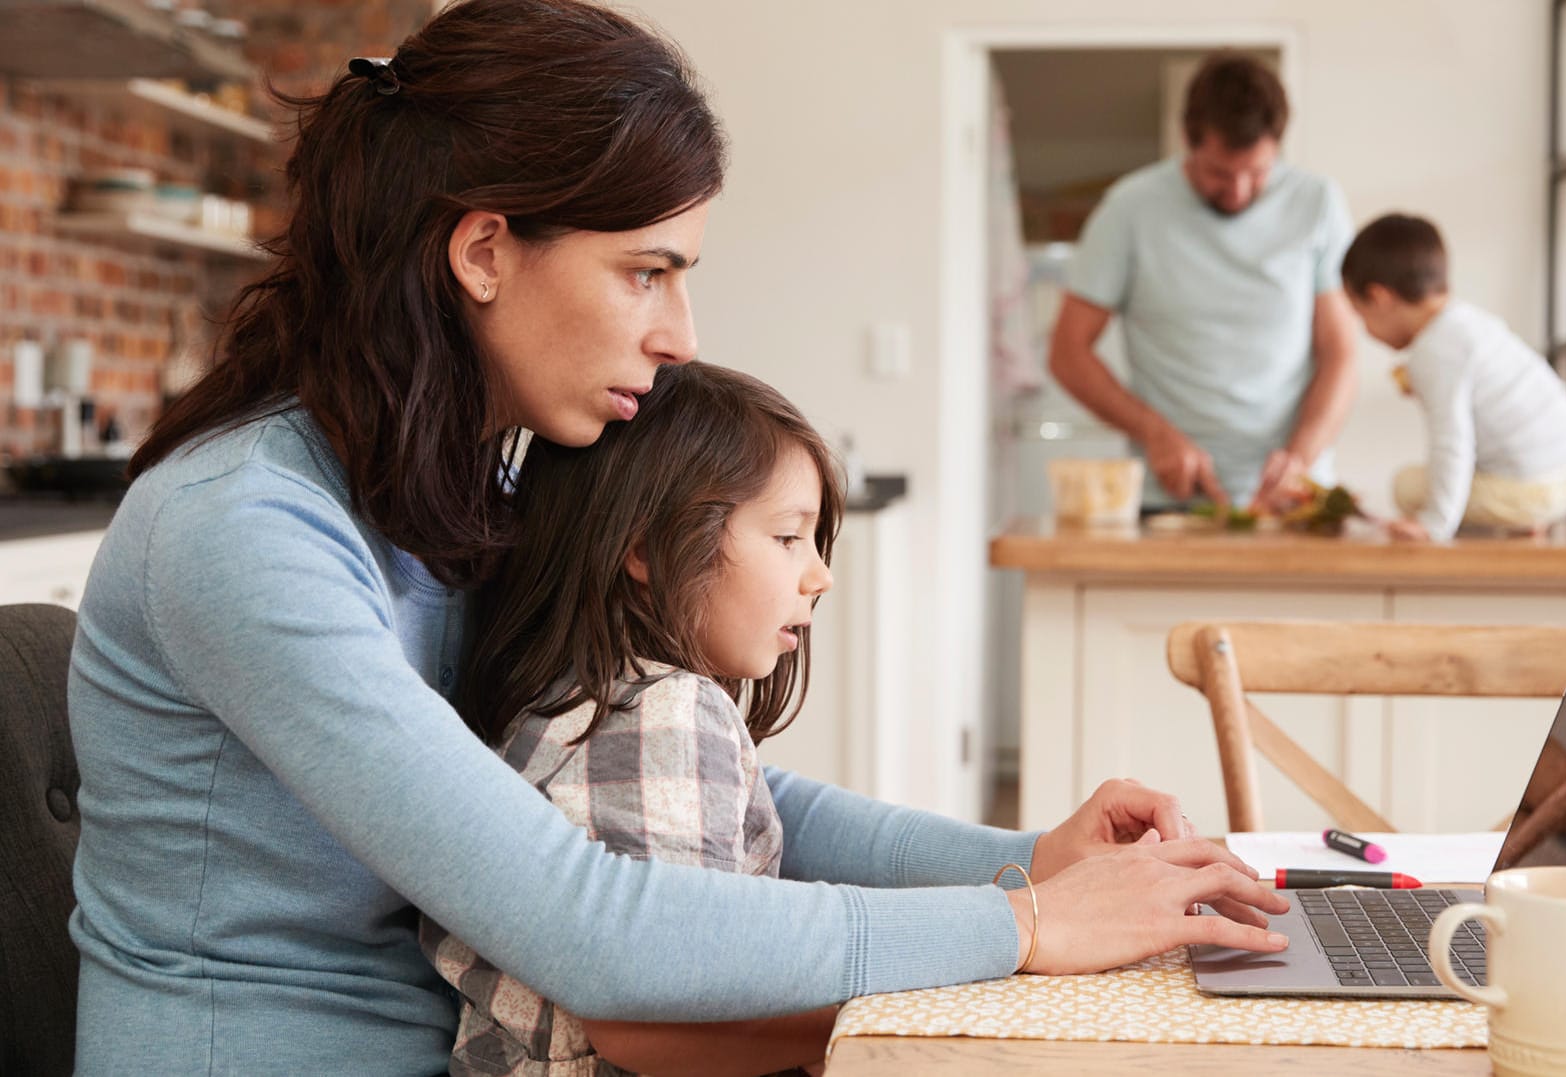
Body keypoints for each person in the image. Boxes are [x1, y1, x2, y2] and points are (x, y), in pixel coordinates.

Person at [65, 1, 1289, 1072]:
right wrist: (1024, 928)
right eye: (646, 272)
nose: (680, 332)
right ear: (485, 251)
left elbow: (714, 784)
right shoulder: (246, 529)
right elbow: (589, 922)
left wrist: (1030, 861)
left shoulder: (453, 489)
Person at [423, 362, 842, 1075]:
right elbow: (661, 1014)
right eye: (786, 538)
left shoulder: (570, 697)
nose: (819, 574)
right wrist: (866, 1015)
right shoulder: (666, 712)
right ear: (646, 547)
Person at [1048, 51, 1361, 512]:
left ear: (1277, 145)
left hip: (1291, 501)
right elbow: (1067, 353)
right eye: (1218, 172)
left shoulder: (1317, 203)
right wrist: (1153, 432)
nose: (1236, 192)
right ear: (1187, 141)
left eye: (1256, 173)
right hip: (1169, 499)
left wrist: (1300, 456)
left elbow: (1342, 352)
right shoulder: (1129, 210)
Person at [1340, 213, 1566, 542]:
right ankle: (1524, 517)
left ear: (1379, 298)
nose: (1366, 330)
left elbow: (1451, 442)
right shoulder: (1468, 323)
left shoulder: (1433, 352)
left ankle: (1518, 515)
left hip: (1536, 488)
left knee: (1407, 487)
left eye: (1360, 314)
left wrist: (1433, 523)